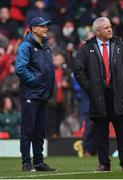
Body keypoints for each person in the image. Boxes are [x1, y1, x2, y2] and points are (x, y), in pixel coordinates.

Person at [72, 17, 123, 171]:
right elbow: (78, 70)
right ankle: (103, 164)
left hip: (119, 96)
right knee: (101, 134)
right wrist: (90, 88)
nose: (110, 29)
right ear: (98, 31)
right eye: (106, 27)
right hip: (98, 97)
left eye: (110, 26)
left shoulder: (120, 45)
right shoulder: (87, 48)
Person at [15, 17, 55, 172]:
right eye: (42, 26)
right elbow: (20, 69)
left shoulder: (46, 47)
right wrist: (37, 82)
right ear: (33, 28)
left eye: (46, 26)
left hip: (43, 94)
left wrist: (46, 87)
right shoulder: (25, 46)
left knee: (40, 130)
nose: (46, 28)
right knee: (28, 129)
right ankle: (26, 162)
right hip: (31, 94)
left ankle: (38, 162)